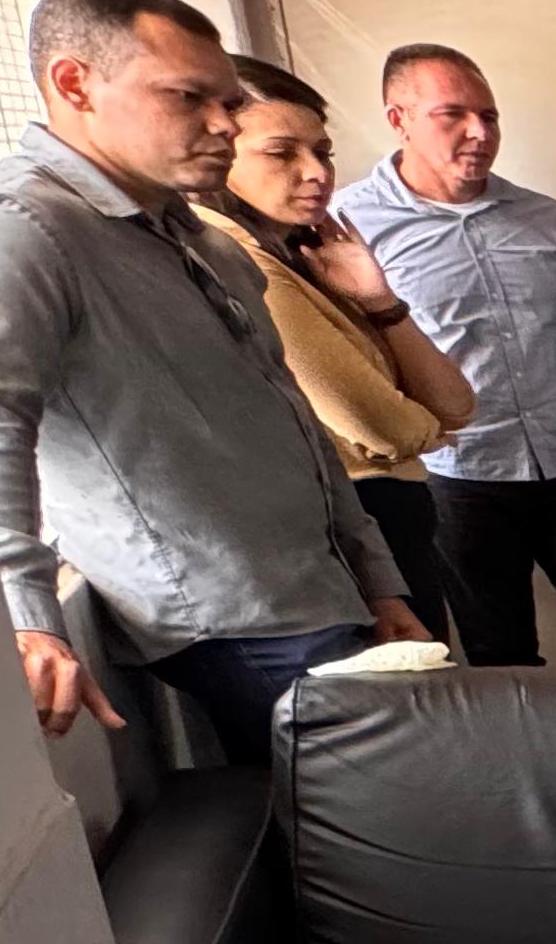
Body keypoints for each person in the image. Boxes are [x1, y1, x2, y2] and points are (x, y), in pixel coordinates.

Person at [0, 0, 423, 765]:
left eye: (228, 102)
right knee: (378, 823)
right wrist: (22, 613)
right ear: (74, 84)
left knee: (394, 815)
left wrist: (377, 579)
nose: (224, 124)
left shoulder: (201, 238)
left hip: (320, 592)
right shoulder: (10, 229)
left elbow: (287, 415)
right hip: (236, 620)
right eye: (189, 97)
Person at [339, 44, 556, 667]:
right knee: (500, 659)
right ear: (399, 119)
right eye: (452, 115)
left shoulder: (544, 218)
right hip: (457, 487)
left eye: (489, 116)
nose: (480, 133)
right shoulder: (348, 226)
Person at [199, 55, 473, 643]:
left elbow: (457, 406)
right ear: (220, 152)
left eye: (322, 151)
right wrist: (419, 429)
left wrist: (380, 303)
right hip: (353, 525)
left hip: (388, 518)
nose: (315, 172)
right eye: (281, 153)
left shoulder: (306, 254)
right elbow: (384, 429)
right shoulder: (238, 259)